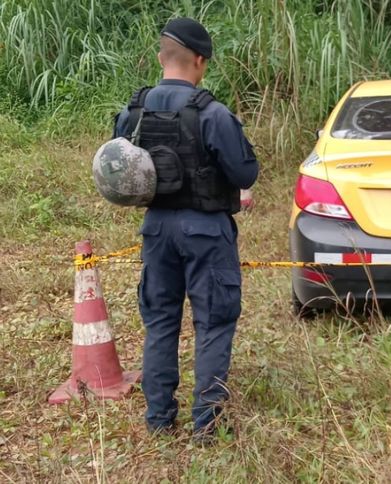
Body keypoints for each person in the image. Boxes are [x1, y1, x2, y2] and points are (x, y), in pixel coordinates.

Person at [112, 17, 258, 441]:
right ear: (200, 61)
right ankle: (207, 425)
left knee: (160, 322)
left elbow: (118, 166)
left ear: (161, 58)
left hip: (155, 229)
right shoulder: (212, 113)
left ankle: (158, 421)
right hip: (206, 230)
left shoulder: (133, 112)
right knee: (213, 323)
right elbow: (246, 171)